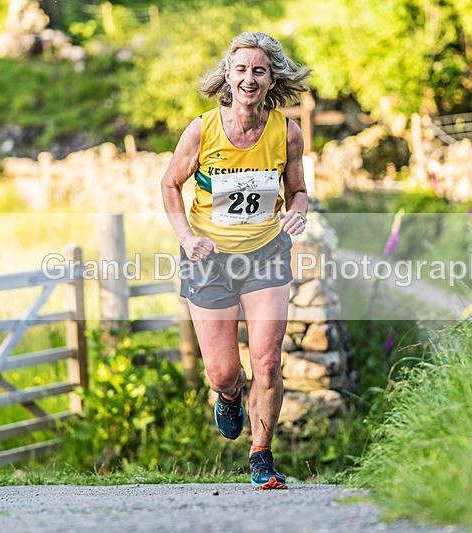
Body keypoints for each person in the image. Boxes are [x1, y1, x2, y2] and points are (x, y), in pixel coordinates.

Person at [160, 31, 310, 490]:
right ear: (228, 74)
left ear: (271, 79)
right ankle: (228, 395)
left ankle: (261, 457)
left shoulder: (286, 132)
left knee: (266, 363)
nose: (249, 78)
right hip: (210, 259)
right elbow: (170, 185)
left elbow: (298, 191)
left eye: (259, 71)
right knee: (224, 371)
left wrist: (297, 215)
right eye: (241, 69)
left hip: (265, 255)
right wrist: (186, 238)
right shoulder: (201, 130)